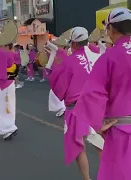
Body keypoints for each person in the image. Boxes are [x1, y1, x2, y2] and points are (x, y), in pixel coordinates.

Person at [70, 7, 131, 180]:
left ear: (111, 29)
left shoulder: (110, 56)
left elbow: (92, 93)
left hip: (126, 134)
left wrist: (98, 124)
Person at [44, 27, 104, 180]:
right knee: (100, 144)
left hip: (77, 109)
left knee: (79, 146)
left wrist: (51, 64)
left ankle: (87, 178)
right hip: (98, 106)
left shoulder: (69, 61)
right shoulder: (97, 56)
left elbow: (59, 84)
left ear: (75, 44)